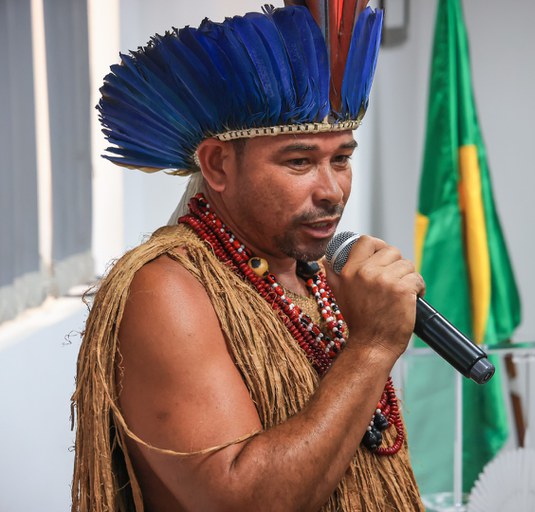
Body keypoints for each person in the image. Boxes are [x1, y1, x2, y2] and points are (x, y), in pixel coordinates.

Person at [71, 2, 425, 511]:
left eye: (342, 159)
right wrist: (370, 348)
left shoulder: (321, 276)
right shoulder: (165, 290)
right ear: (217, 163)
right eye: (300, 161)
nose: (332, 191)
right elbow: (246, 503)